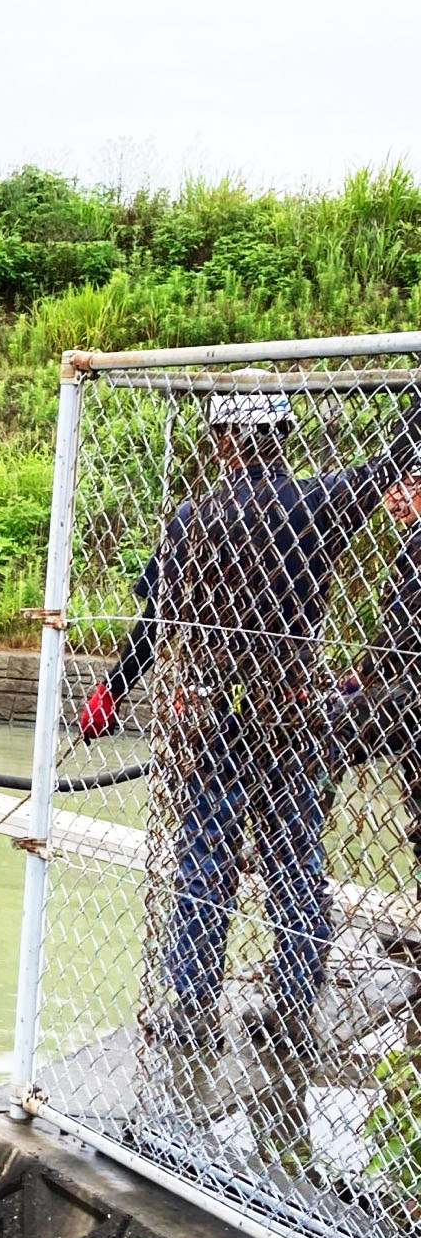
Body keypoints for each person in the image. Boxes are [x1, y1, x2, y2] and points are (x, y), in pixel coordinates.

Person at [76, 391, 421, 1059]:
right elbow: (390, 460)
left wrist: (112, 692)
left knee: (205, 859)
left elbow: (155, 622)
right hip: (291, 710)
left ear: (221, 440)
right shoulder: (317, 503)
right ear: (283, 435)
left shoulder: (192, 520)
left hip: (215, 713)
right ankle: (292, 1010)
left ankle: (191, 1008)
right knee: (294, 862)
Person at [326, 475, 421, 884]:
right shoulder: (412, 540)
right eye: (390, 489)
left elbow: (405, 626)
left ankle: (291, 840)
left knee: (329, 728)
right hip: (406, 682)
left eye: (404, 487)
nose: (392, 499)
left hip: (411, 686)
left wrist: (363, 674)